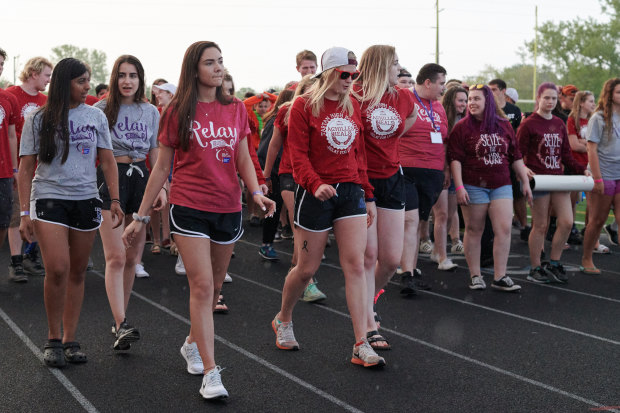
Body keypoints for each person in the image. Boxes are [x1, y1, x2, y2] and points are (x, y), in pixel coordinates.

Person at [123, 41, 275, 399]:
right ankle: (211, 372)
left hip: (228, 207)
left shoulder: (237, 108)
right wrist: (141, 217)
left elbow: (242, 158)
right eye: (210, 63)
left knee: (216, 286)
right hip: (190, 206)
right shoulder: (177, 110)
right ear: (194, 69)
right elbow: (161, 166)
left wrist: (255, 193)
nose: (218, 67)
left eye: (221, 61)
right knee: (202, 287)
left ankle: (192, 342)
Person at [271, 46, 385, 368]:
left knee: (355, 264)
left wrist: (368, 194)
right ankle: (284, 318)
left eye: (355, 75)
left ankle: (361, 342)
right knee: (307, 269)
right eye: (345, 74)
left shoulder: (354, 106)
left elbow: (359, 155)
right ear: (329, 74)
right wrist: (314, 182)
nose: (351, 80)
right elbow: (297, 155)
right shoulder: (304, 106)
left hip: (350, 192)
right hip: (316, 192)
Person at [17, 58, 123, 367]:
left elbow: (107, 160)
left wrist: (114, 199)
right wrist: (25, 213)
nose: (88, 86)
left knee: (78, 271)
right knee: (59, 268)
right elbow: (25, 168)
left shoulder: (96, 117)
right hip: (49, 197)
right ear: (66, 83)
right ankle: (53, 337)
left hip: (86, 199)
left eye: (89, 80)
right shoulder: (37, 118)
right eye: (82, 81)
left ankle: (70, 339)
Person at [94, 55, 162, 350]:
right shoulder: (99, 110)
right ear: (114, 78)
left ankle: (118, 320)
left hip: (142, 179)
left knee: (133, 258)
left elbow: (156, 151)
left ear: (140, 79)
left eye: (133, 75)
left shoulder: (151, 111)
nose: (127, 81)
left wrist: (161, 186)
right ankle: (122, 323)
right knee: (116, 257)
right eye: (122, 75)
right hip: (112, 179)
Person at [353, 45, 417, 350]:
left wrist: (394, 138)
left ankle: (367, 297)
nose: (400, 69)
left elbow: (412, 118)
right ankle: (367, 321)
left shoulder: (403, 96)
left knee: (391, 259)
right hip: (361, 180)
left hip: (392, 178)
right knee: (368, 255)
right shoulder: (354, 95)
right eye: (395, 64)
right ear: (380, 66)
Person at [449, 84, 532, 291]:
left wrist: (525, 182)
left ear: (488, 101)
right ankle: (475, 275)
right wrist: (459, 187)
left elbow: (516, 156)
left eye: (477, 99)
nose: (472, 103)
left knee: (503, 229)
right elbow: (455, 159)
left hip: (501, 184)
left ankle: (500, 276)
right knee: (474, 229)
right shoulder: (462, 127)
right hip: (473, 184)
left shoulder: (503, 125)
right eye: (470, 99)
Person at [263, 75, 327, 302]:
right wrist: (266, 174)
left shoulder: (327, 111)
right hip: (290, 173)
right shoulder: (288, 111)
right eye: (309, 90)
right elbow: (274, 144)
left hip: (316, 175)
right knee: (298, 225)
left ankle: (297, 268)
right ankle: (308, 282)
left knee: (305, 229)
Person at [518, 82, 589, 283]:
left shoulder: (559, 123)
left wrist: (582, 169)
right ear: (538, 99)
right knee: (540, 225)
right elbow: (518, 153)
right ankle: (535, 267)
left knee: (566, 221)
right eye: (546, 98)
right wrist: (523, 169)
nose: (550, 102)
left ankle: (554, 262)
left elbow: (566, 155)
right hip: (539, 180)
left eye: (553, 98)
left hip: (558, 178)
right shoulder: (528, 124)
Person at [398, 63, 448, 293]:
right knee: (409, 221)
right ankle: (406, 272)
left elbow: (444, 138)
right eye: (441, 83)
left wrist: (444, 170)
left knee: (418, 222)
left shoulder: (438, 106)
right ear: (428, 82)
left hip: (433, 173)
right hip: (406, 170)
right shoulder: (404, 98)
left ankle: (410, 267)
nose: (443, 88)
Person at [6, 57, 53, 281]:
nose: (49, 80)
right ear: (34, 73)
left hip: (40, 167)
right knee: (17, 213)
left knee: (37, 213)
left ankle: (30, 255)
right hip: (15, 166)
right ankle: (16, 261)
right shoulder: (11, 94)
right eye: (46, 75)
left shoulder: (47, 100)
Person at [581, 78, 620, 274]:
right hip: (604, 175)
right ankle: (587, 257)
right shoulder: (598, 118)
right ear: (610, 95)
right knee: (597, 220)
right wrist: (597, 179)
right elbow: (591, 149)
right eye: (619, 92)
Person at [567, 90, 600, 248]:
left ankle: (592, 237)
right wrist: (589, 145)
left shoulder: (596, 120)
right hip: (576, 165)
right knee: (571, 201)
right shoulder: (572, 120)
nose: (593, 104)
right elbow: (573, 145)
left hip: (592, 164)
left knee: (593, 203)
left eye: (594, 101)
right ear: (581, 103)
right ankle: (569, 231)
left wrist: (584, 142)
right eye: (590, 101)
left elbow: (598, 146)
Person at [441, 86, 468, 254]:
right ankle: (433, 245)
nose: (464, 104)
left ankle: (453, 240)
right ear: (451, 101)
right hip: (445, 171)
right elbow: (442, 147)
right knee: (442, 214)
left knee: (451, 213)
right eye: (460, 101)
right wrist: (446, 169)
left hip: (461, 172)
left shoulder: (467, 121)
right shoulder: (443, 119)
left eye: (466, 101)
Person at [0, 48, 19, 260]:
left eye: (2, 64)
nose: (0, 67)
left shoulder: (8, 98)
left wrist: (14, 168)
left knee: (3, 222)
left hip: (3, 172)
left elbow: (12, 136)